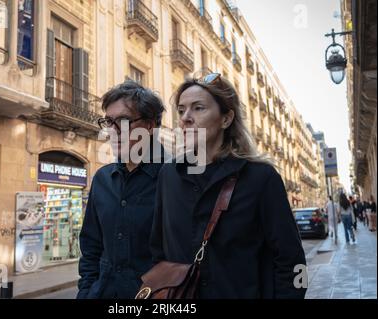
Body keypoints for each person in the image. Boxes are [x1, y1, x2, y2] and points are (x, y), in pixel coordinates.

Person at [150, 73, 307, 299]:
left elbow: (292, 262)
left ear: (226, 119)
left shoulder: (261, 178)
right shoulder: (168, 176)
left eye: (198, 108)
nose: (185, 118)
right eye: (182, 110)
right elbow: (158, 251)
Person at [77, 80, 167, 299]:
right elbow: (91, 248)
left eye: (124, 121)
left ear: (151, 125)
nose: (114, 131)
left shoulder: (176, 178)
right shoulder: (102, 179)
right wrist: (86, 292)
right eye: (109, 122)